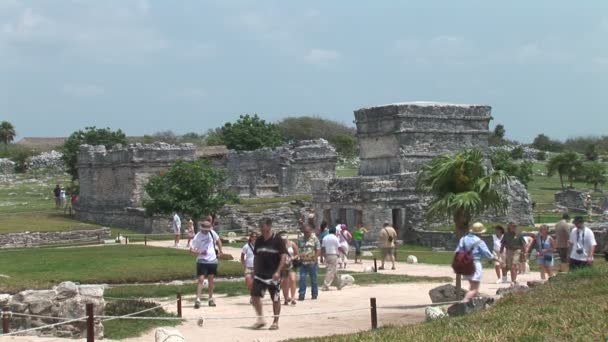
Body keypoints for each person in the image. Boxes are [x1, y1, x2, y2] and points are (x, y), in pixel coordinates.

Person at [251, 217, 288, 330]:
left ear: (269, 226)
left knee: (275, 298)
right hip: (260, 274)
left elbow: (283, 257)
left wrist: (278, 272)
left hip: (273, 274)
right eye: (260, 226)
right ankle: (261, 318)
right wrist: (254, 269)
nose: (261, 228)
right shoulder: (259, 240)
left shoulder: (278, 239)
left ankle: (275, 321)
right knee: (254, 296)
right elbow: (256, 256)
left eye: (263, 226)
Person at [455, 222, 495, 304]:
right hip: (475, 264)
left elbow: (457, 251)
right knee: (474, 289)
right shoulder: (479, 241)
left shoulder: (463, 239)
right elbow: (487, 254)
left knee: (471, 286)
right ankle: (464, 301)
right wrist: (494, 258)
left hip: (465, 264)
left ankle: (471, 304)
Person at [190, 221, 223, 308]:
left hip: (212, 260)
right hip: (202, 260)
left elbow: (218, 240)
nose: (207, 231)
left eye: (208, 229)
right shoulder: (197, 236)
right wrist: (200, 252)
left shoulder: (212, 233)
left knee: (211, 280)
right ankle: (198, 299)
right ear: (202, 229)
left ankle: (210, 298)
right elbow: (191, 250)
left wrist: (220, 251)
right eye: (205, 230)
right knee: (201, 279)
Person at [297, 224, 321, 301]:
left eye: (307, 232)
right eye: (304, 232)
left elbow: (318, 249)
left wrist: (315, 259)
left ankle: (314, 294)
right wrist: (299, 257)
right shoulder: (300, 239)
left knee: (314, 279)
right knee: (302, 279)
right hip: (303, 263)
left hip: (312, 263)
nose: (306, 233)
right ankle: (301, 294)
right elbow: (298, 249)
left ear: (310, 231)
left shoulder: (314, 239)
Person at [279, 231, 299, 306]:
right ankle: (286, 298)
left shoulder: (292, 244)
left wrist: (292, 258)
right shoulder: (278, 245)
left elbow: (297, 254)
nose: (284, 240)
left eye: (284, 238)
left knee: (293, 280)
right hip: (283, 265)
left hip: (291, 264)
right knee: (285, 282)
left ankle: (293, 298)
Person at [321, 227, 344, 291]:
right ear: (334, 232)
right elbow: (339, 247)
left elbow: (322, 248)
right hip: (333, 255)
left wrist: (322, 256)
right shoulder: (335, 238)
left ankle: (339, 284)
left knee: (335, 270)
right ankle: (325, 285)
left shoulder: (325, 238)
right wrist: (344, 252)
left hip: (327, 255)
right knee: (330, 271)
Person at [241, 231, 258, 304]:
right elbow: (242, 257)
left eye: (255, 237)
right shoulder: (246, 246)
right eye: (252, 236)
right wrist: (244, 265)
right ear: (250, 238)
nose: (254, 238)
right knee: (249, 282)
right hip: (248, 267)